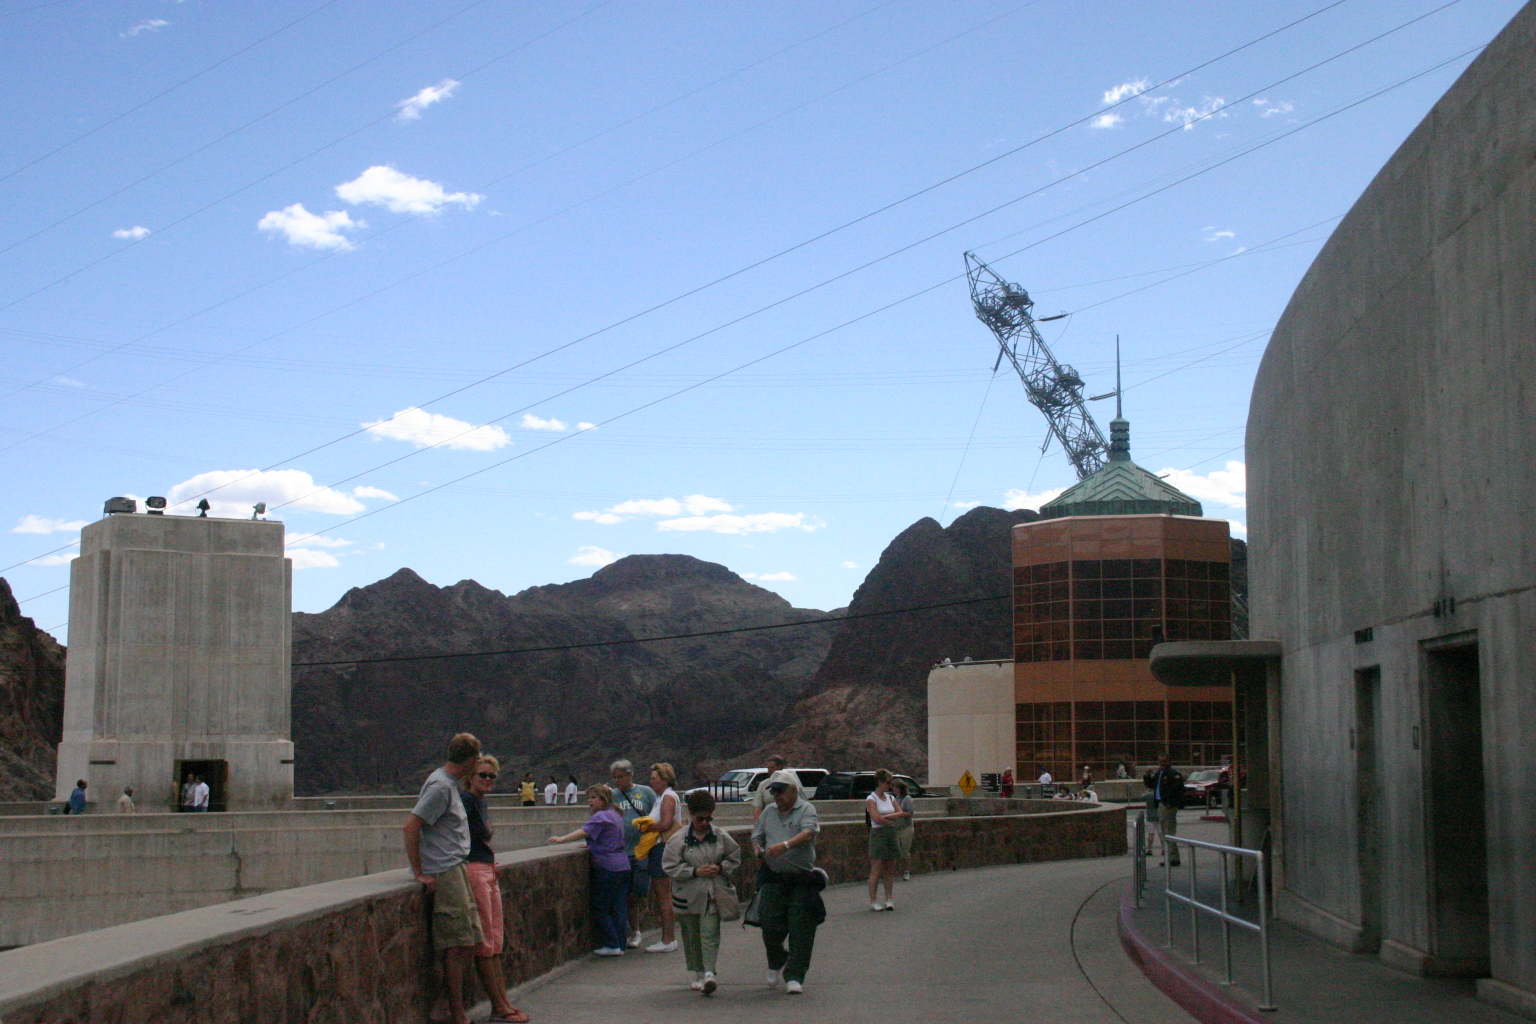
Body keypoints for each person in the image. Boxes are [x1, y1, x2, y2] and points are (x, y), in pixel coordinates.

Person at [403, 732, 485, 1024]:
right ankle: (453, 1011)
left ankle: (445, 1004)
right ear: (471, 760)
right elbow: (411, 826)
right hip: (445, 870)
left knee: (469, 940)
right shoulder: (439, 786)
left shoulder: (449, 784)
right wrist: (419, 872)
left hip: (456, 867)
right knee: (456, 942)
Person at [459, 755, 529, 1023]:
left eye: (492, 776)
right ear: (469, 776)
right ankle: (499, 1007)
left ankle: (503, 1002)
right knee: (485, 943)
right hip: (474, 871)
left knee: (495, 942)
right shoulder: (465, 801)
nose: (487, 779)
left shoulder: (481, 802)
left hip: (487, 869)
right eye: (482, 775)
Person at [751, 769, 826, 995]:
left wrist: (785, 846)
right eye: (773, 791)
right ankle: (776, 958)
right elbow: (757, 836)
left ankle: (795, 974)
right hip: (774, 877)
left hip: (800, 878)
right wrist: (758, 849)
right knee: (769, 923)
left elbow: (808, 833)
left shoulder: (806, 809)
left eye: (780, 791)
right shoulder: (769, 812)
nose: (776, 796)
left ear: (793, 790)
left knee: (801, 926)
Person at [662, 789, 741, 996]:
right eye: (700, 819)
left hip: (712, 894)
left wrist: (721, 868)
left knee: (710, 933)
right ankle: (698, 971)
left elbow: (735, 857)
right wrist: (694, 871)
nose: (705, 823)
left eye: (709, 819)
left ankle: (709, 973)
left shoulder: (720, 836)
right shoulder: (678, 840)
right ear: (691, 815)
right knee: (691, 935)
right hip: (687, 896)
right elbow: (669, 867)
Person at [549, 785, 630, 956]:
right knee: (618, 908)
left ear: (603, 799)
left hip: (607, 866)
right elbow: (605, 836)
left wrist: (562, 838)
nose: (590, 801)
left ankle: (611, 944)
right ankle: (620, 944)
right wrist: (591, 844)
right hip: (623, 864)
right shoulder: (615, 814)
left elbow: (584, 831)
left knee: (601, 907)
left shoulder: (601, 816)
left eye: (593, 797)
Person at [608, 759, 657, 949]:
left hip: (642, 850)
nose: (618, 781)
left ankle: (638, 923)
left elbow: (657, 815)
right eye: (615, 777)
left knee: (640, 890)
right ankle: (634, 930)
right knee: (626, 894)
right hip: (621, 852)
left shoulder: (645, 792)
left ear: (630, 775)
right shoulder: (613, 795)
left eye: (621, 776)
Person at [642, 763, 682, 953]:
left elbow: (666, 824)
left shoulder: (668, 797)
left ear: (664, 780)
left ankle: (668, 939)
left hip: (662, 847)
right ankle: (668, 938)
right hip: (661, 848)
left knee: (664, 895)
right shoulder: (663, 797)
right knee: (664, 895)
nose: (651, 782)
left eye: (654, 779)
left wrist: (645, 827)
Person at [865, 769, 908, 911]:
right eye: (888, 782)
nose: (890, 785)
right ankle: (873, 901)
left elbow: (900, 812)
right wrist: (890, 819)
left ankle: (889, 899)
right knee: (876, 869)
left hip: (891, 833)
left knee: (889, 869)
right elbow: (876, 818)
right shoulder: (871, 799)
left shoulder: (890, 798)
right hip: (878, 834)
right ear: (880, 782)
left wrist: (887, 817)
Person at [1144, 755, 1186, 867]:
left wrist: (1170, 803)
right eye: (1160, 762)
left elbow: (1179, 791)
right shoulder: (1159, 773)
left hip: (1167, 806)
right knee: (1165, 832)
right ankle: (1171, 857)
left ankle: (1172, 857)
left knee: (1169, 832)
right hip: (1160, 804)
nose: (1162, 763)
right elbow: (1150, 785)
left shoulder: (1173, 774)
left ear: (1169, 761)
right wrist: (1147, 775)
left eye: (1164, 761)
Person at [750, 755, 787, 824]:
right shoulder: (763, 785)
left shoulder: (790, 783)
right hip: (769, 823)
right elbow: (758, 808)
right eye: (768, 768)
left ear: (780, 767)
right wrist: (757, 825)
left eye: (772, 767)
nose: (769, 770)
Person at [893, 778, 916, 881]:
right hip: (896, 827)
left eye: (894, 787)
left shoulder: (907, 799)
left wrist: (899, 813)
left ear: (899, 788)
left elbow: (910, 813)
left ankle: (906, 871)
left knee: (905, 852)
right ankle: (893, 871)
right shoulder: (896, 799)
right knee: (895, 851)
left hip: (906, 828)